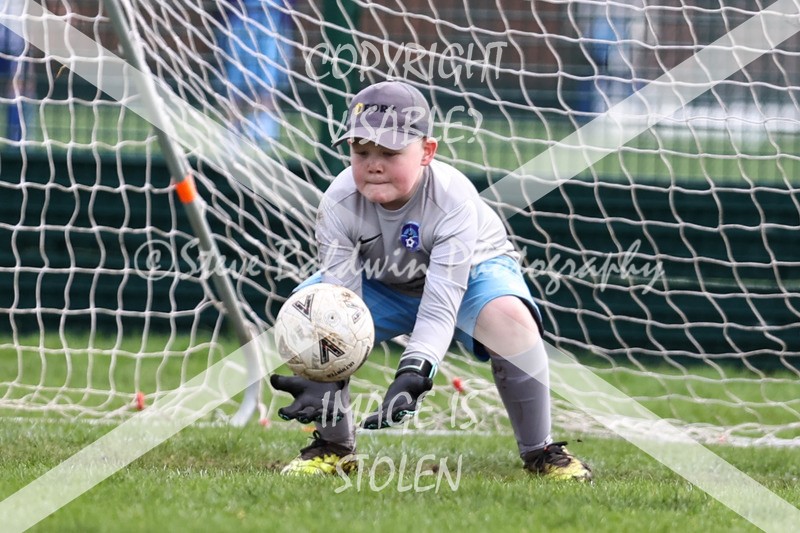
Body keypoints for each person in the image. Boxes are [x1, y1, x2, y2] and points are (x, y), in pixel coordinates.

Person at [270, 80, 592, 481]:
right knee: (308, 317)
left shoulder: (452, 198)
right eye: (361, 150)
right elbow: (341, 302)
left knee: (511, 320)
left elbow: (441, 301)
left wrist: (415, 369)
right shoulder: (338, 201)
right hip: (382, 282)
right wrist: (325, 373)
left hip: (469, 279)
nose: (373, 163)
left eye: (389, 152)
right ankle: (334, 446)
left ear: (426, 152)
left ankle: (541, 451)